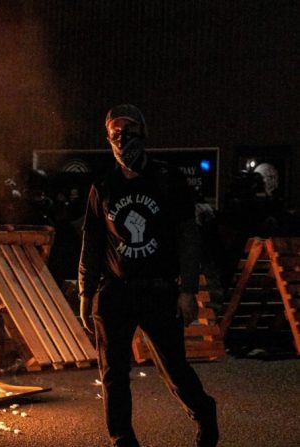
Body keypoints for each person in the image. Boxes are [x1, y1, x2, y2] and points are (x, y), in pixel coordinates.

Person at [77, 104, 218, 447]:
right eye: (116, 134)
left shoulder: (168, 179)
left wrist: (187, 291)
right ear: (108, 138)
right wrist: (85, 292)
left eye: (129, 131)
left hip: (158, 291)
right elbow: (92, 241)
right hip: (115, 292)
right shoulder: (104, 184)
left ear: (144, 133)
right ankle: (122, 439)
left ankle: (204, 413)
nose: (123, 140)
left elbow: (187, 237)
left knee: (174, 369)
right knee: (113, 374)